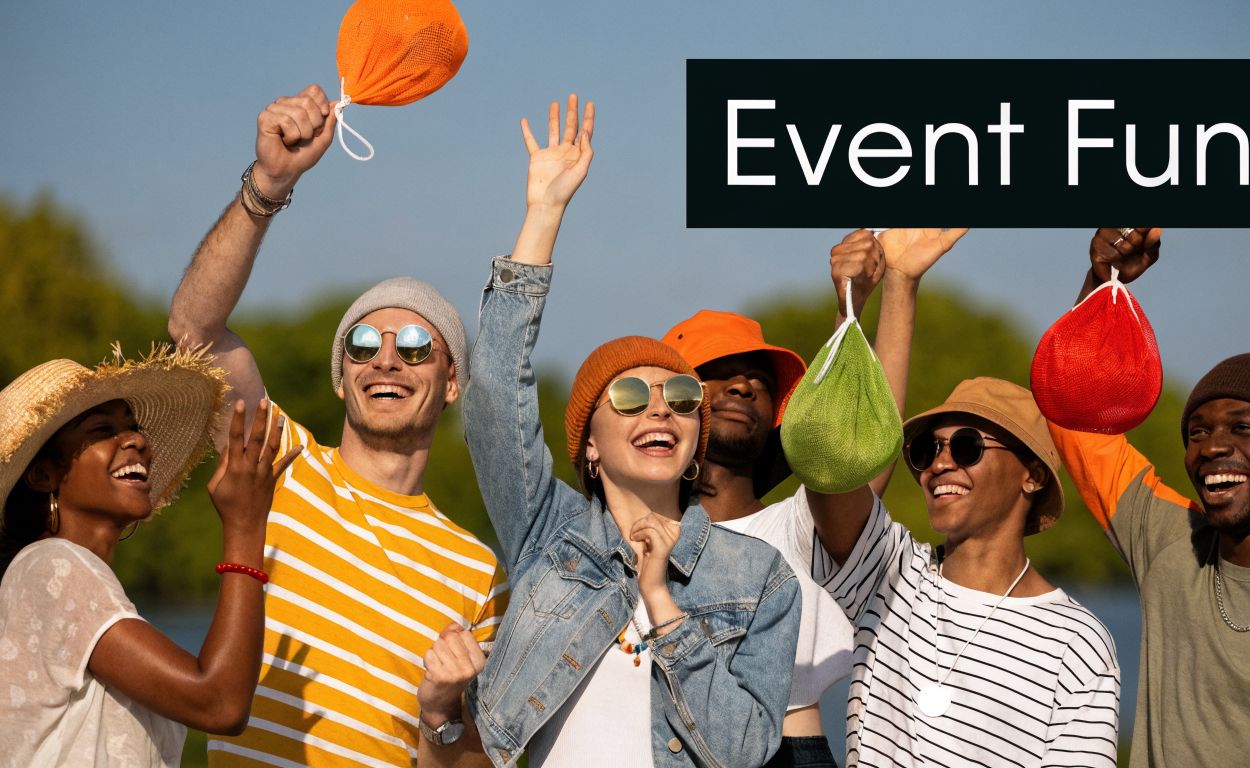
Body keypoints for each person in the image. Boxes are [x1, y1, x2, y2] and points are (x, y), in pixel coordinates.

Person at [167, 85, 507, 767]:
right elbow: (193, 331)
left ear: (450, 384)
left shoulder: (478, 572)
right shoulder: (281, 463)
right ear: (340, 376)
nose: (386, 358)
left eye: (416, 345)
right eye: (361, 345)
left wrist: (442, 718)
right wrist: (269, 184)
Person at [461, 94, 802, 767]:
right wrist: (544, 213)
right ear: (589, 444)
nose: (658, 409)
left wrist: (660, 604)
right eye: (627, 396)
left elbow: (744, 751)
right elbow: (495, 392)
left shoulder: (758, 576)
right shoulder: (549, 534)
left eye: (679, 397)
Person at [797, 229, 1121, 767]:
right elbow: (832, 469)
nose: (939, 462)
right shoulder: (888, 574)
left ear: (1032, 476)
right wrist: (874, 297)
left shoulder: (1078, 642)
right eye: (925, 448)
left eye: (968, 446)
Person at [1048, 227, 1250, 766]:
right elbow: (1077, 413)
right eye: (1198, 432)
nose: (1212, 447)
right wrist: (1102, 285)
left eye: (1242, 428)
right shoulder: (1168, 543)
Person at [658, 228, 902, 767]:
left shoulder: (797, 526)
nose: (743, 386)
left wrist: (853, 307)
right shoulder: (634, 531)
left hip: (788, 752)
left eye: (758, 381)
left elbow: (853, 443)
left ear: (776, 417)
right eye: (717, 374)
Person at [0, 347, 294, 766]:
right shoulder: (54, 566)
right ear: (43, 474)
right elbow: (219, 704)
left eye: (133, 427)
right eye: (102, 429)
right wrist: (245, 529)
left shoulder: (68, 578)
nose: (137, 440)